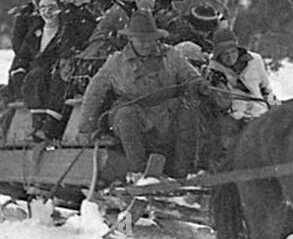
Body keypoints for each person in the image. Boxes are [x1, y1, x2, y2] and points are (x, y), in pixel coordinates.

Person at [75, 10, 201, 178]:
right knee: (126, 116)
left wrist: (201, 86)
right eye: (140, 39)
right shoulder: (116, 62)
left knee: (188, 112)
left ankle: (183, 172)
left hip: (166, 113)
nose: (145, 44)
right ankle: (139, 173)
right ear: (130, 39)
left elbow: (191, 77)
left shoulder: (171, 55)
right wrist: (85, 127)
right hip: (134, 112)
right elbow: (94, 92)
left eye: (150, 39)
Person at [11, 0, 69, 139]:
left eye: (51, 7)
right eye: (43, 8)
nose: (47, 12)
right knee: (34, 76)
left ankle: (49, 126)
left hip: (54, 77)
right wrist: (19, 71)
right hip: (34, 80)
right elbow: (22, 56)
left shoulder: (65, 30)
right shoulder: (36, 32)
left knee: (41, 76)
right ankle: (35, 124)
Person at [205, 26, 276, 121]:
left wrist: (276, 106)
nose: (230, 57)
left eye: (233, 51)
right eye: (225, 54)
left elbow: (266, 89)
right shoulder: (213, 68)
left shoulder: (255, 60)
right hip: (234, 119)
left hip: (261, 114)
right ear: (218, 55)